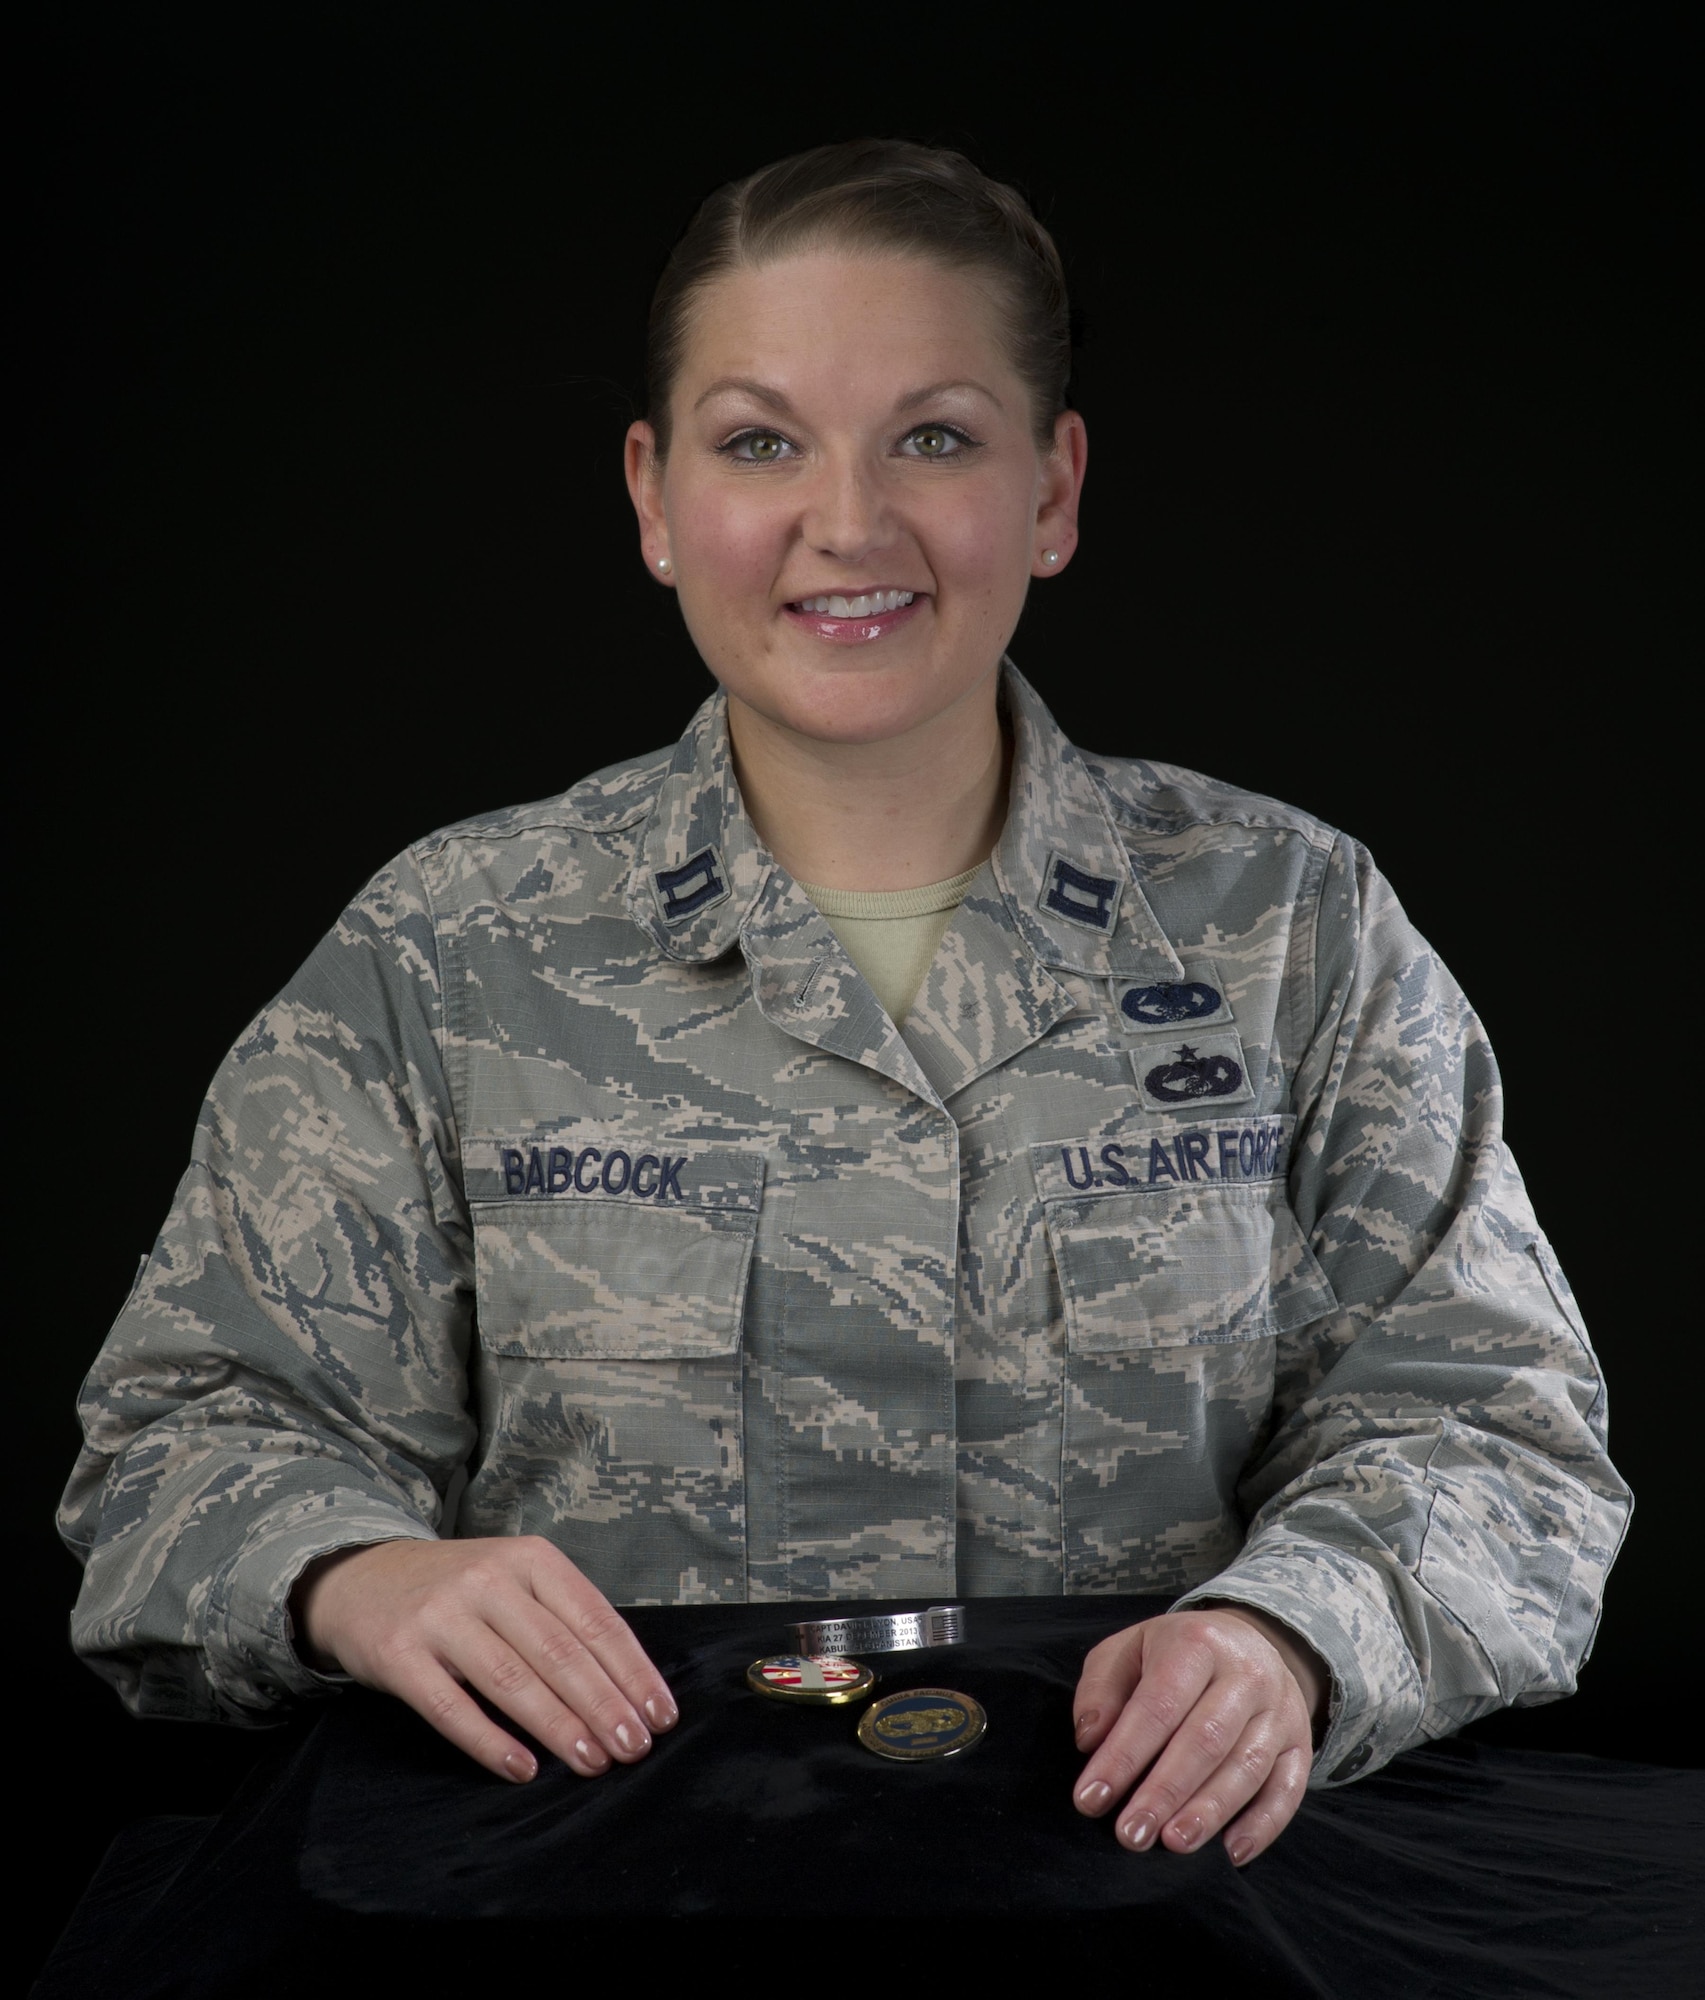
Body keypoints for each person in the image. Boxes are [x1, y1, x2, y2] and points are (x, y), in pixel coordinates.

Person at [59, 138, 1629, 1873]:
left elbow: (1491, 1429)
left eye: (935, 438)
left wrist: (1289, 1637)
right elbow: (185, 1443)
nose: (848, 523)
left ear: (1051, 489)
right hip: (595, 1888)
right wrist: (354, 1575)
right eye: (759, 443)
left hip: (1156, 1901)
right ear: (654, 498)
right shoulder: (448, 947)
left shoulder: (1290, 928)